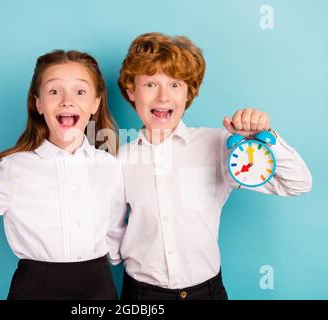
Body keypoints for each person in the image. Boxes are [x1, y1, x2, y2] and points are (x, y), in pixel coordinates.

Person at [117, 32, 312, 300]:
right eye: (150, 84)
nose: (163, 96)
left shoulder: (220, 145)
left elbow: (297, 183)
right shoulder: (119, 158)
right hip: (140, 294)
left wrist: (266, 138)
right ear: (131, 91)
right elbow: (109, 226)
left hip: (206, 291)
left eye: (175, 84)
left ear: (188, 93)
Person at [0, 50, 127, 300]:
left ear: (95, 103)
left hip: (99, 289)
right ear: (38, 103)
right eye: (54, 91)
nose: (66, 100)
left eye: (80, 91)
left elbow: (115, 237)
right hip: (35, 289)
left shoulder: (111, 167)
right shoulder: (11, 170)